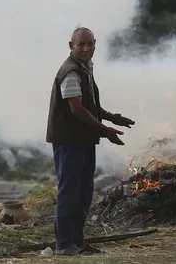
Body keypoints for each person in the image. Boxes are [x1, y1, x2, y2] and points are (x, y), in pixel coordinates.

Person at [46, 27, 135, 256]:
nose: (86, 49)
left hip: (83, 140)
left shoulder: (85, 67)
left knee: (84, 191)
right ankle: (64, 245)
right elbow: (77, 110)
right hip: (69, 141)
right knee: (69, 191)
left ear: (95, 43)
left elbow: (90, 105)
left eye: (90, 44)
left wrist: (113, 117)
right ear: (71, 46)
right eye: (81, 45)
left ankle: (77, 241)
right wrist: (106, 130)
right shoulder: (70, 71)